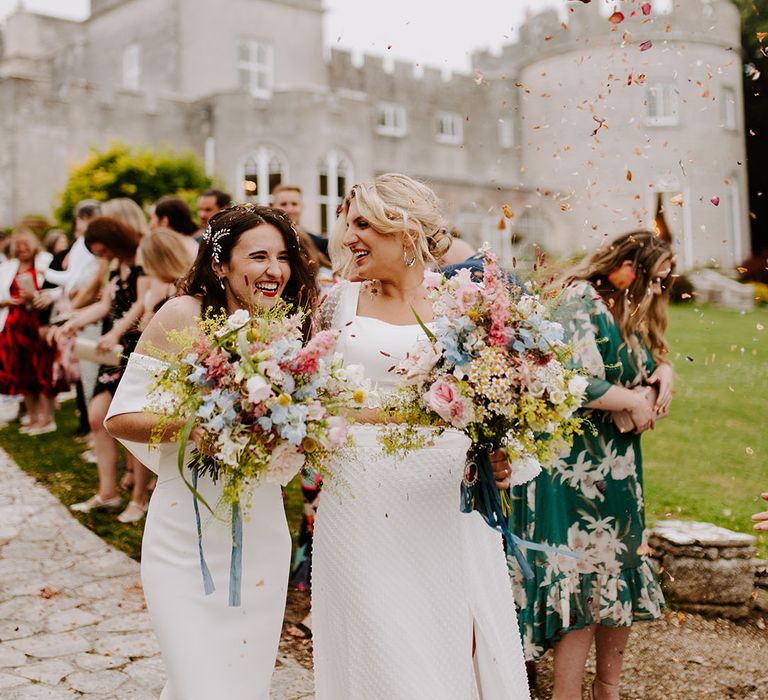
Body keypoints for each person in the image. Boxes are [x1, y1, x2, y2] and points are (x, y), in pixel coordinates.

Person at [313, 173, 529, 699]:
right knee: (378, 643)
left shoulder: (466, 305)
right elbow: (307, 396)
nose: (347, 239)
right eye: (348, 225)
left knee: (445, 639)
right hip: (358, 501)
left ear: (405, 229)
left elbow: (504, 404)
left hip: (444, 504)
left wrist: (503, 457)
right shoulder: (333, 303)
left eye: (363, 224)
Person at [105, 204, 318, 700]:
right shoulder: (183, 314)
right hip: (185, 530)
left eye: (283, 257)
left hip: (260, 526)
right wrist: (195, 426)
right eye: (259, 255)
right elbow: (120, 418)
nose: (274, 270)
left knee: (241, 681)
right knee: (198, 678)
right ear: (220, 263)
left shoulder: (289, 328)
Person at [511, 231, 674, 700]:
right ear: (628, 266)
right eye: (655, 278)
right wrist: (632, 400)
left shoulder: (628, 310)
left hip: (617, 467)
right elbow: (570, 377)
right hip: (572, 468)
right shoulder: (579, 298)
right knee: (580, 584)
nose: (659, 289)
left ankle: (607, 690)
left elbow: (646, 361)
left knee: (617, 573)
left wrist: (663, 374)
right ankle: (565, 695)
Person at [57, 217, 151, 523]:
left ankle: (141, 494)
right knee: (98, 416)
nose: (103, 256)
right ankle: (108, 493)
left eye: (103, 250)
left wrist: (115, 333)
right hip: (112, 351)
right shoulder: (113, 267)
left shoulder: (142, 257)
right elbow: (104, 306)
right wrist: (72, 322)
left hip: (136, 347)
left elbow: (140, 304)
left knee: (134, 424)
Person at [0, 229, 57, 434]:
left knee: (41, 369)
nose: (23, 249)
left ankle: (47, 418)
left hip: (38, 322)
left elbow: (55, 291)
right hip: (15, 324)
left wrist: (35, 296)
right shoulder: (9, 267)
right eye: (19, 246)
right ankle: (32, 417)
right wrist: (6, 301)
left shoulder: (44, 263)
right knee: (22, 372)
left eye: (26, 245)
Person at [135, 228, 195, 330]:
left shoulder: (186, 289)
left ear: (159, 264)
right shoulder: (174, 287)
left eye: (148, 266)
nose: (149, 273)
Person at [272, 184, 332, 277]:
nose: (289, 209)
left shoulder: (320, 244)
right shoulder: (266, 241)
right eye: (283, 204)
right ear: (273, 206)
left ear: (301, 207)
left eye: (294, 204)